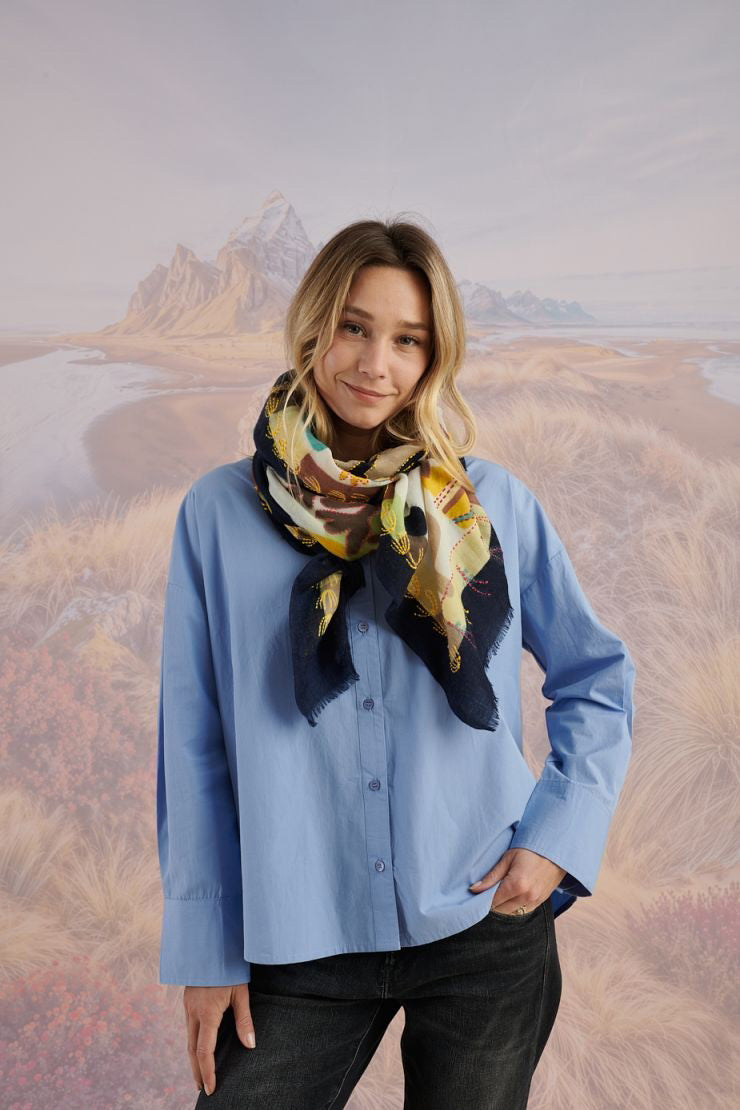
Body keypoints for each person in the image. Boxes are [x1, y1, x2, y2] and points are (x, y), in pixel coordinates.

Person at [156, 217, 636, 1108]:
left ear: (434, 355)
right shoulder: (218, 515)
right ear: (313, 326)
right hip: (298, 937)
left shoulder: (490, 506)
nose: (376, 364)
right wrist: (206, 948)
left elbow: (596, 679)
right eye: (354, 327)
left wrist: (556, 838)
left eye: (408, 340)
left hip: (482, 924)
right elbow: (194, 746)